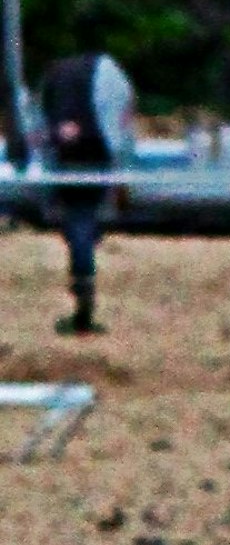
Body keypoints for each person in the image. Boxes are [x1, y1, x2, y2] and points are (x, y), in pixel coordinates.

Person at [34, 46, 134, 335]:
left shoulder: (55, 75)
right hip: (94, 148)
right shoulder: (112, 76)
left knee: (78, 221)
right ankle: (84, 295)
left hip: (68, 152)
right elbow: (120, 131)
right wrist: (122, 178)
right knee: (83, 220)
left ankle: (83, 288)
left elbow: (42, 126)